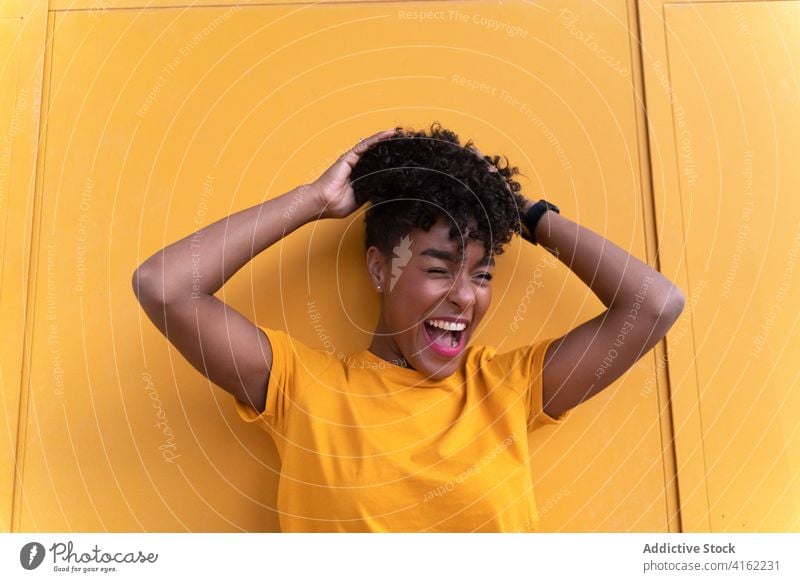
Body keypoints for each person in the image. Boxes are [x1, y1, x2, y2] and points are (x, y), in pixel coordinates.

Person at [132, 122, 685, 532]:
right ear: (380, 267)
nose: (465, 295)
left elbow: (655, 305)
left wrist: (526, 212)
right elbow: (163, 286)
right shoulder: (302, 387)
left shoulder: (508, 389)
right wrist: (315, 200)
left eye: (482, 272)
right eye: (438, 268)